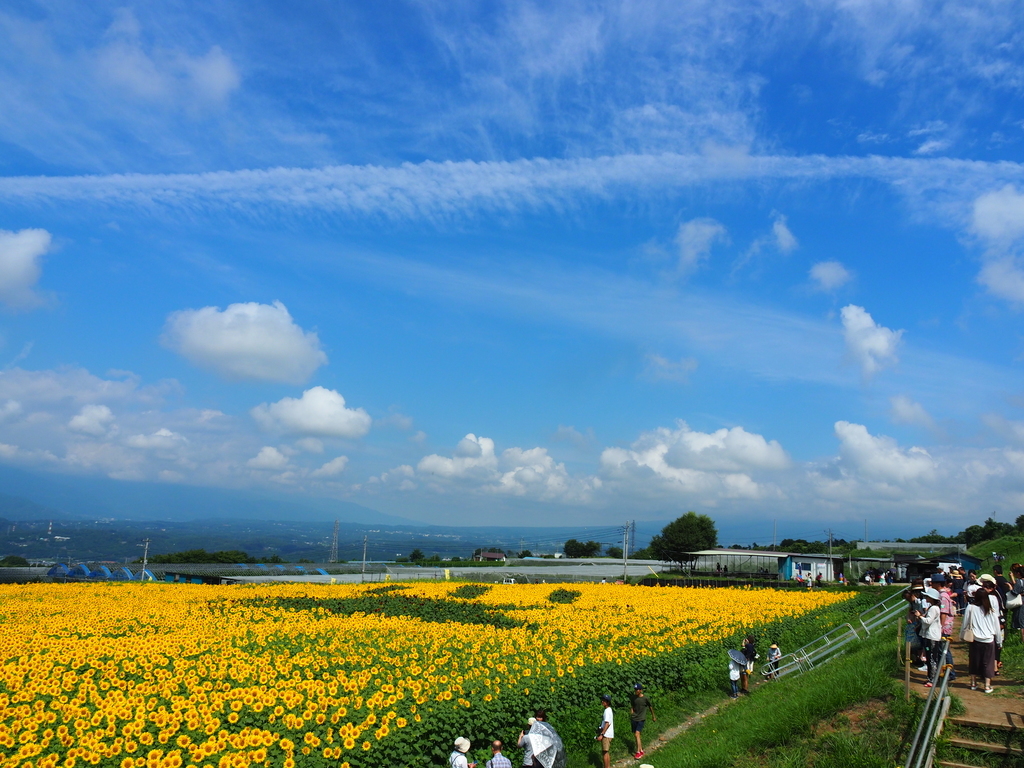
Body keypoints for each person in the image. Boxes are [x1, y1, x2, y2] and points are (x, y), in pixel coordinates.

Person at [961, 585, 1000, 693]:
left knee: (974, 661)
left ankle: (973, 683)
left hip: (975, 639)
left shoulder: (971, 608)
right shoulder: (991, 611)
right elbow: (996, 627)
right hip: (989, 640)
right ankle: (987, 686)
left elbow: (965, 623)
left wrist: (962, 635)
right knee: (988, 662)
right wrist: (999, 641)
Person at [915, 587, 942, 686]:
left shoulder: (934, 608)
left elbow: (928, 621)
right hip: (929, 635)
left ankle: (933, 679)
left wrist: (920, 616)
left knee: (931, 658)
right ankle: (930, 678)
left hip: (932, 636)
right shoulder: (933, 608)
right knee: (930, 657)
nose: (925, 597)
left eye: (927, 596)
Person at [629, 684, 655, 759]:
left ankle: (638, 752)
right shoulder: (633, 698)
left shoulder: (645, 698)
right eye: (635, 689)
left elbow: (650, 707)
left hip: (641, 718)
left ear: (640, 690)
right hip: (634, 718)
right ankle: (641, 750)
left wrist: (653, 716)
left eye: (637, 690)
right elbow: (632, 706)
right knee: (636, 735)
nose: (636, 691)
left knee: (637, 734)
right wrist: (632, 713)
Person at [596, 695, 614, 768]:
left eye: (604, 700)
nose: (602, 702)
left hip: (606, 734)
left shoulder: (607, 711)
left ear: (607, 702)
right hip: (607, 734)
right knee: (605, 752)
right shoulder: (609, 710)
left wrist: (602, 734)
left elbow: (607, 723)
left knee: (605, 752)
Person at [936, 575, 955, 640]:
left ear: (938, 584)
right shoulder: (940, 594)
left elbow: (944, 612)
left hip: (944, 626)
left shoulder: (943, 596)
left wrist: (941, 627)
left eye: (933, 583)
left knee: (943, 647)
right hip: (943, 625)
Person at [1010, 563, 1024, 645]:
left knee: (1022, 621)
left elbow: (1015, 592)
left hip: (1021, 602)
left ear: (1018, 573)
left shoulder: (1020, 581)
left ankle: (1023, 640)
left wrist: (1010, 587)